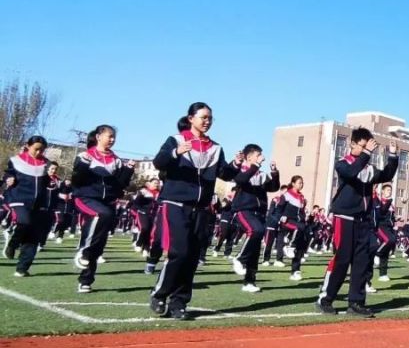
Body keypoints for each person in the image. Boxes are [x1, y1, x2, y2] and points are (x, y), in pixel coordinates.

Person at [149, 102, 240, 320]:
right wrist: (175, 153)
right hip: (176, 204)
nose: (207, 121)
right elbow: (159, 162)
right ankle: (159, 294)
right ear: (191, 118)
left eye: (210, 118)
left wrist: (236, 164)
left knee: (192, 257)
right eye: (203, 117)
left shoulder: (216, 148)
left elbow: (225, 174)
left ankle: (179, 302)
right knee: (178, 252)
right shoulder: (176, 140)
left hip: (201, 209)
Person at [316, 128, 398, 317]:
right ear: (352, 144)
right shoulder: (343, 163)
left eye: (368, 147)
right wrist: (367, 153)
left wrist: (392, 156)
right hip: (344, 217)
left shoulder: (368, 168)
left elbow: (386, 175)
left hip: (363, 220)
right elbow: (352, 173)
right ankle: (325, 298)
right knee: (342, 259)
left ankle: (356, 302)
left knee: (362, 261)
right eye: (363, 146)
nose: (366, 150)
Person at [71, 126, 135, 292]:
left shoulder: (116, 160)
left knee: (99, 241)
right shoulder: (85, 156)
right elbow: (77, 179)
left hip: (107, 202)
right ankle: (83, 251)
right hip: (85, 197)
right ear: (98, 137)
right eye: (109, 136)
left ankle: (85, 280)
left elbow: (120, 185)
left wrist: (128, 170)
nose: (112, 140)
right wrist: (83, 165)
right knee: (101, 215)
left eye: (114, 137)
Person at [229, 144, 280, 291]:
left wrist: (274, 172)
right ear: (249, 157)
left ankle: (250, 281)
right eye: (258, 155)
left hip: (259, 212)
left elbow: (273, 187)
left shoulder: (261, 174)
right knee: (255, 231)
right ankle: (239, 258)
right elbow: (242, 180)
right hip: (244, 209)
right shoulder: (242, 170)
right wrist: (255, 165)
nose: (261, 158)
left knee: (255, 248)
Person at [2, 136, 51, 276]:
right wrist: (8, 179)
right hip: (19, 198)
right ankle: (12, 243)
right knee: (24, 221)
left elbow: (46, 181)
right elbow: (8, 173)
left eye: (42, 150)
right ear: (28, 146)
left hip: (38, 203)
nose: (39, 152)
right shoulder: (16, 160)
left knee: (33, 236)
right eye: (36, 149)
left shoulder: (45, 163)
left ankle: (22, 268)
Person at [276, 176, 309, 281]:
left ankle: (295, 271)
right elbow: (279, 208)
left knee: (300, 247)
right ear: (293, 183)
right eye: (299, 182)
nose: (301, 184)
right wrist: (281, 216)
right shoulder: (286, 195)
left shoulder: (302, 197)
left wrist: (305, 217)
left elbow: (302, 211)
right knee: (298, 229)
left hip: (300, 223)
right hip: (289, 221)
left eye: (302, 183)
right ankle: (289, 245)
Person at [371, 184, 397, 283]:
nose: (389, 192)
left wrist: (395, 221)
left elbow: (391, 216)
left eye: (390, 190)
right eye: (387, 190)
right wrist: (389, 202)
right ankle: (376, 253)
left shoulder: (391, 204)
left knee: (386, 252)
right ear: (382, 191)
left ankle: (383, 274)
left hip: (389, 227)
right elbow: (381, 213)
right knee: (389, 240)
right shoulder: (380, 201)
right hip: (381, 226)